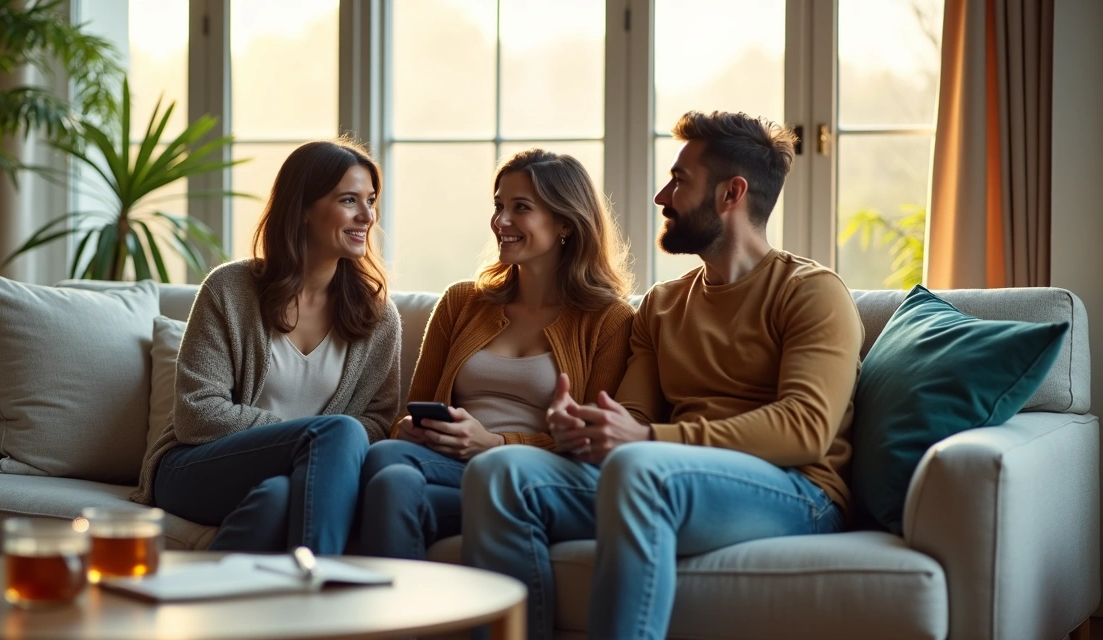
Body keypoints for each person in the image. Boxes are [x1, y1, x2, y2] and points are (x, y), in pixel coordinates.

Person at [461, 112, 865, 639]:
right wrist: (586, 427)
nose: (661, 197)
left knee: (639, 469)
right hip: (666, 476)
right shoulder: (664, 303)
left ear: (731, 193)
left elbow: (805, 428)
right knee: (501, 475)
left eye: (679, 180)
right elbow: (632, 416)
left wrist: (649, 439)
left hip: (797, 491)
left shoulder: (811, 291)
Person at [358, 149, 635, 561]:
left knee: (392, 480)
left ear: (565, 223)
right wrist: (415, 430)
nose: (500, 222)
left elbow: (595, 442)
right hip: (446, 466)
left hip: (531, 477)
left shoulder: (609, 319)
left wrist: (494, 443)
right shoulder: (461, 302)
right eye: (498, 205)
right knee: (387, 457)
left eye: (520, 208)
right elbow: (410, 412)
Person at [129, 139, 401, 555]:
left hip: (301, 477)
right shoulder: (230, 289)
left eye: (371, 200)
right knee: (339, 431)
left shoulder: (378, 318)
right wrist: (307, 437)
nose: (368, 216)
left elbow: (378, 424)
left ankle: (217, 603)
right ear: (304, 208)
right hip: (195, 467)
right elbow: (197, 414)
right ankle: (324, 596)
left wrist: (311, 450)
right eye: (350, 200)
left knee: (277, 498)